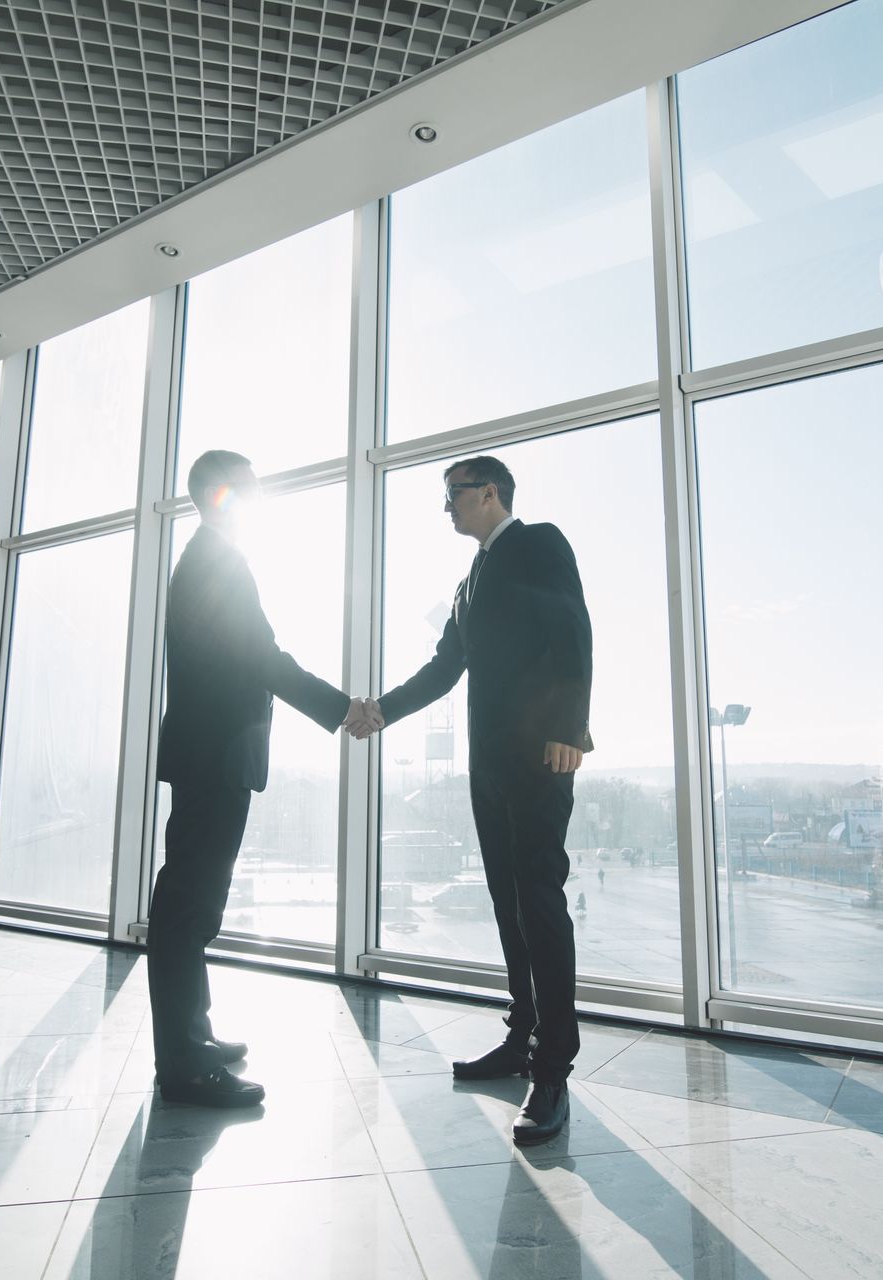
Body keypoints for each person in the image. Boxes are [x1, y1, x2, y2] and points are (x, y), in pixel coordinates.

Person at [349, 455, 592, 1146]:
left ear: (490, 493)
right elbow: (444, 668)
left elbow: (574, 631)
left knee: (539, 901)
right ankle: (522, 1037)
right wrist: (379, 711)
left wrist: (569, 729)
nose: (445, 508)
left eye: (453, 495)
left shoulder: (540, 543)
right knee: (506, 899)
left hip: (543, 756)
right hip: (487, 767)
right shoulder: (469, 581)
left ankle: (553, 1070)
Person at [152, 449, 377, 1107]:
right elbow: (262, 659)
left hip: (212, 754)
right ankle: (185, 1066)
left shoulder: (210, 558)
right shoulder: (216, 562)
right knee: (187, 908)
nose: (257, 498)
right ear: (223, 495)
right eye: (248, 488)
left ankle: (191, 1039)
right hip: (215, 755)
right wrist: (343, 709)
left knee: (193, 907)